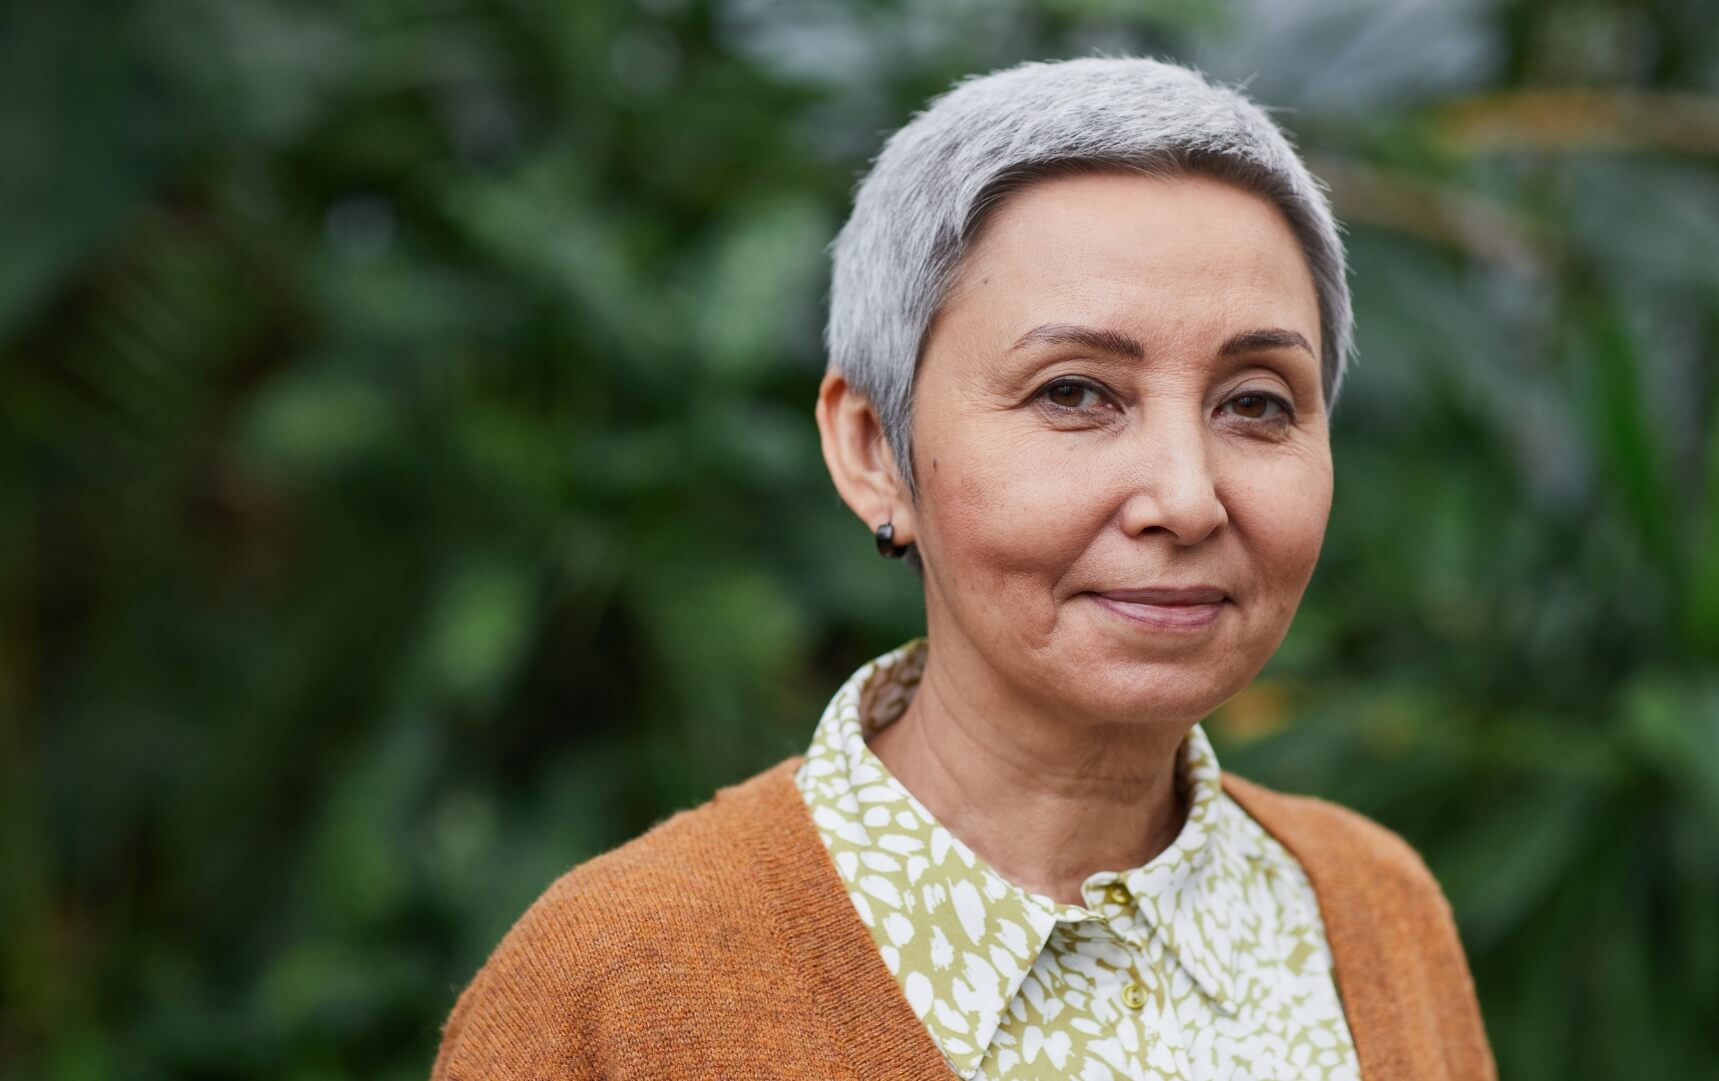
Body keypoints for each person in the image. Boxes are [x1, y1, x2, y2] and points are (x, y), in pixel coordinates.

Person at [430, 55, 1496, 1080]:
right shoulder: (615, 990)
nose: (1185, 496)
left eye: (1257, 402)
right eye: (1075, 392)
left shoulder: (1374, 913)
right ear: (872, 450)